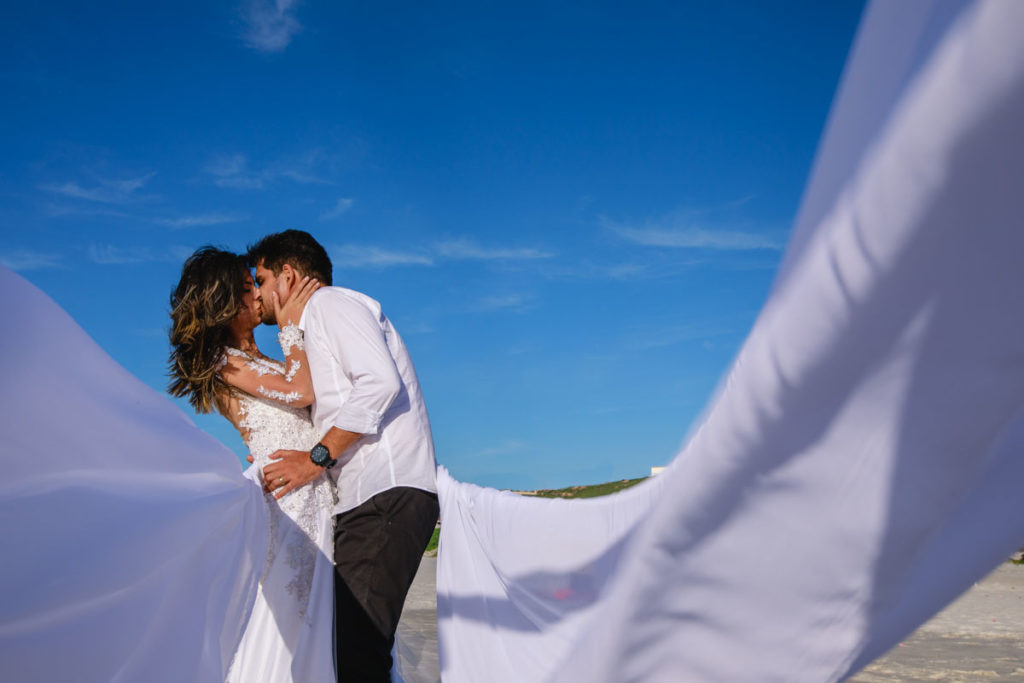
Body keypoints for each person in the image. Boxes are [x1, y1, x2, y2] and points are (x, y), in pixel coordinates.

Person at [246, 230, 439, 682]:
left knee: (358, 653)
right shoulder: (311, 327)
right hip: (365, 499)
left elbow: (380, 382)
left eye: (261, 278)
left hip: (385, 492)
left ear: (287, 277)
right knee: (350, 651)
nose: (257, 292)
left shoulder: (331, 305)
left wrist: (314, 459)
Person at [167, 247, 335, 683]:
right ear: (223, 306)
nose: (258, 298)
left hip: (317, 491)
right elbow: (301, 393)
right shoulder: (225, 363)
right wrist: (292, 323)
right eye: (247, 290)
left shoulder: (264, 363)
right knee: (296, 622)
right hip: (291, 501)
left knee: (332, 623)